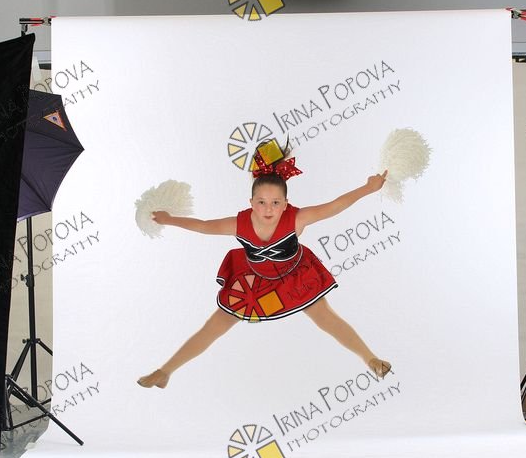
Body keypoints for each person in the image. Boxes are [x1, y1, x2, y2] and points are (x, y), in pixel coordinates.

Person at [137, 152, 391, 389]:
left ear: (285, 204)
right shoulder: (239, 224)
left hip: (296, 277)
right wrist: (169, 219)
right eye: (261, 202)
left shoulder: (297, 219)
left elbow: (335, 206)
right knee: (214, 325)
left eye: (275, 203)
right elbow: (203, 226)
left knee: (326, 318)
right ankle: (165, 372)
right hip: (257, 282)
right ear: (251, 203)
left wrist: (368, 188)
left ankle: (371, 359)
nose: (268, 209)